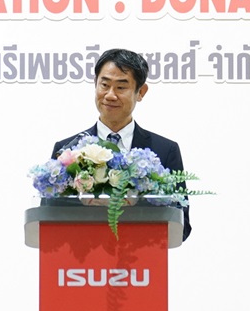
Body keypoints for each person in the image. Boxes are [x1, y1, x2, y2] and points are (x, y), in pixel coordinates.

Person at [51, 48, 191, 241]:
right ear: (95, 84)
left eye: (121, 87)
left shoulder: (164, 151)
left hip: (141, 256)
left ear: (141, 92)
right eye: (104, 85)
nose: (110, 95)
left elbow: (181, 225)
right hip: (81, 256)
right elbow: (50, 218)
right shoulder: (67, 151)